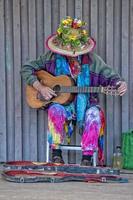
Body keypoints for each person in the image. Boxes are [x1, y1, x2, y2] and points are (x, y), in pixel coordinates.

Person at [21, 17, 127, 166]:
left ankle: (87, 159)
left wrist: (119, 83)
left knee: (94, 114)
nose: (71, 52)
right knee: (55, 109)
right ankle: (56, 154)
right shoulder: (50, 58)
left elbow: (111, 77)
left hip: (87, 105)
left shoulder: (93, 61)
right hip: (64, 107)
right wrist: (40, 87)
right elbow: (26, 68)